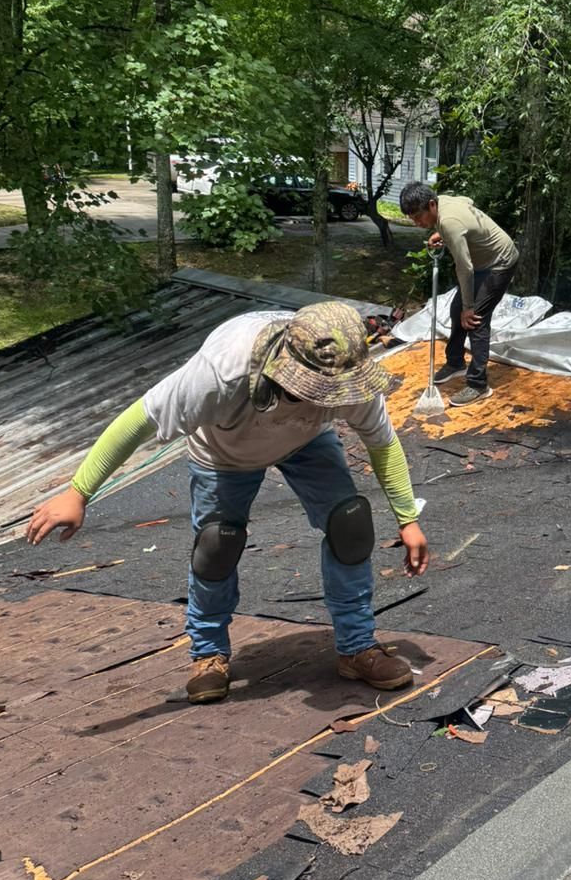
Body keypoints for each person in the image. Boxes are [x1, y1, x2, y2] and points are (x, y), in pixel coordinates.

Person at [26, 301, 430, 704]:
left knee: (350, 524)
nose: (328, 399)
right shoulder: (220, 373)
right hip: (223, 452)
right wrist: (79, 492)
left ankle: (357, 647)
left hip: (306, 441)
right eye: (315, 392)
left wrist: (407, 518)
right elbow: (138, 420)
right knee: (217, 544)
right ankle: (208, 654)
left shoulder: (346, 373)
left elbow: (383, 444)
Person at [398, 182, 519, 408]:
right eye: (412, 218)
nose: (416, 223)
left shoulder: (450, 222)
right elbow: (467, 201)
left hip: (500, 262)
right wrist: (439, 231)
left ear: (432, 204)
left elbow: (465, 268)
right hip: (483, 261)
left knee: (475, 320)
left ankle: (478, 384)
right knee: (456, 311)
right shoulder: (443, 203)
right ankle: (455, 363)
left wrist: (469, 306)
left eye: (418, 217)